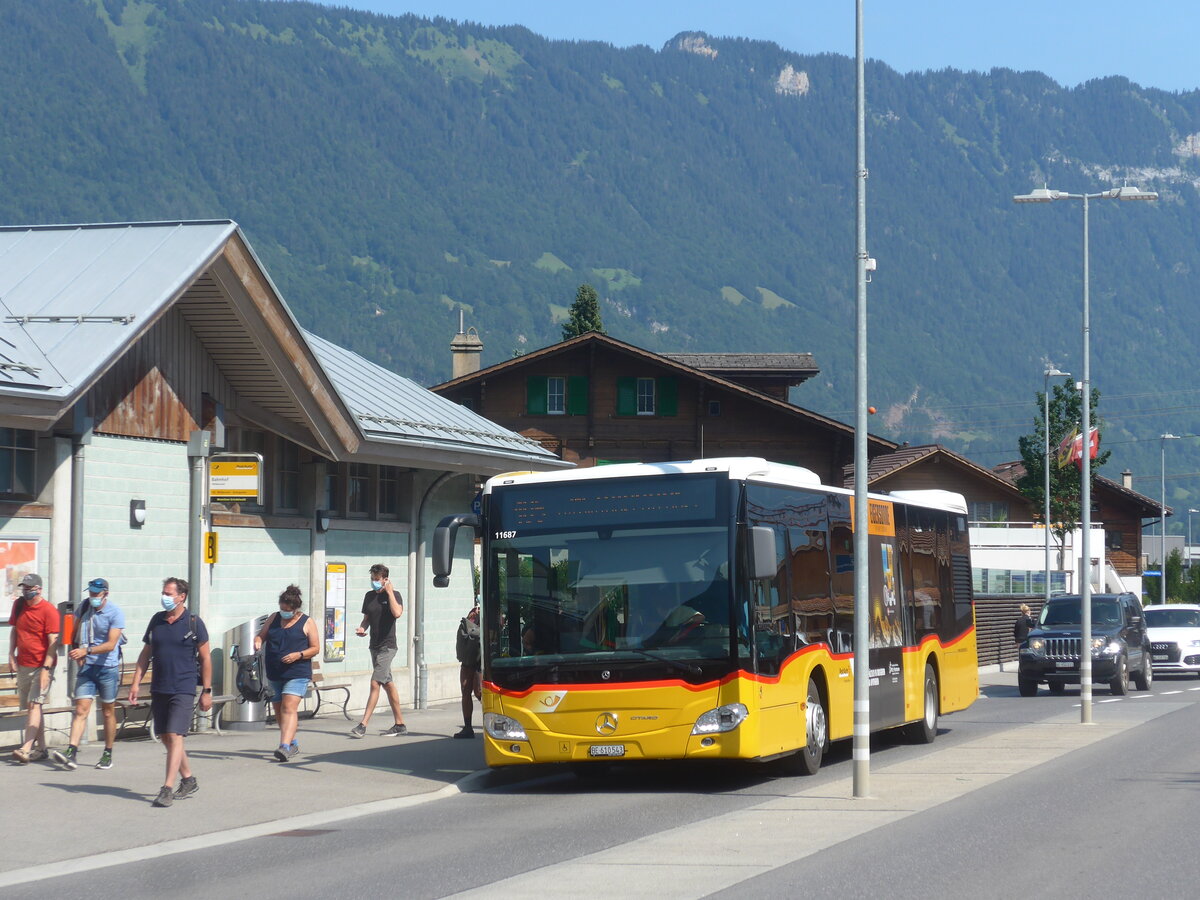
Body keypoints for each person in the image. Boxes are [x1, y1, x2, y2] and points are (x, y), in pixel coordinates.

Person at [128, 577, 213, 807]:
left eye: (169, 593)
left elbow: (205, 659)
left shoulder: (194, 623)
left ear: (181, 596)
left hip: (183, 687)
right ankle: (188, 779)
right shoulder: (157, 620)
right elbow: (146, 654)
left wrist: (206, 690)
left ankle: (166, 788)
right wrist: (136, 683)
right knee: (166, 736)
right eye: (163, 592)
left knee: (175, 736)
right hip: (160, 686)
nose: (164, 597)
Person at [52, 578, 125, 771]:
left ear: (105, 594)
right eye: (90, 593)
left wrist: (88, 651)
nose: (92, 596)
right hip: (87, 668)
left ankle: (108, 753)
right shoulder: (84, 607)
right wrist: (76, 651)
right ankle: (71, 752)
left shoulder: (115, 613)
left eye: (96, 594)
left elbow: (111, 644)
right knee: (80, 710)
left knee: (108, 711)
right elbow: (73, 631)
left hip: (107, 668)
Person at [254, 584, 319, 761]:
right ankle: (292, 743)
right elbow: (261, 635)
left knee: (288, 707)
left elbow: (315, 648)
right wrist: (258, 641)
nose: (284, 612)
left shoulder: (307, 621)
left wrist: (298, 655)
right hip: (275, 671)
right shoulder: (274, 618)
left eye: (287, 610)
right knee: (279, 710)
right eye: (282, 608)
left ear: (295, 609)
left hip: (297, 672)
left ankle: (283, 747)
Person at [349, 564, 407, 737]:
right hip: (374, 645)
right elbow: (367, 618)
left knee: (375, 683)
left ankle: (362, 725)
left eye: (377, 579)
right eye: (372, 579)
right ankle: (400, 724)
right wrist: (361, 628)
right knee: (388, 684)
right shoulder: (369, 596)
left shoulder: (395, 595)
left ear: (385, 579)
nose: (374, 582)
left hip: (387, 647)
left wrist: (389, 592)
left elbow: (397, 613)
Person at [7, 574, 60, 764]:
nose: (26, 591)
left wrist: (46, 669)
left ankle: (26, 748)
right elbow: (14, 630)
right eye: (24, 588)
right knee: (32, 708)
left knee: (34, 705)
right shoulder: (19, 605)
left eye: (29, 588)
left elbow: (53, 643)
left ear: (39, 589)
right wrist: (11, 654)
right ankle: (42, 748)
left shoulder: (49, 611)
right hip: (23, 665)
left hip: (41, 666)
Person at [454, 601, 482, 739]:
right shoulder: (469, 618)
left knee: (479, 692)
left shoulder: (490, 615)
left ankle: (496, 720)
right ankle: (468, 727)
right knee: (466, 691)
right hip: (467, 661)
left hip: (480, 662)